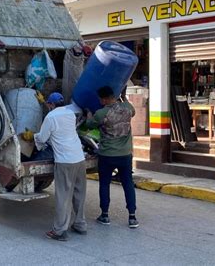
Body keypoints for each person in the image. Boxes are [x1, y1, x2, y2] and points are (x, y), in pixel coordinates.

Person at [34, 92, 87, 241]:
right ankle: (80, 224)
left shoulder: (50, 117)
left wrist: (33, 137)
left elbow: (43, 138)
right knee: (79, 193)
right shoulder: (70, 113)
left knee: (63, 196)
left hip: (65, 161)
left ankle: (59, 231)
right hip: (79, 157)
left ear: (50, 104)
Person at [85, 86, 139, 229]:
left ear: (103, 99)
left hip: (107, 155)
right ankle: (132, 217)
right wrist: (124, 97)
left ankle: (105, 215)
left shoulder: (102, 113)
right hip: (125, 155)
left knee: (104, 184)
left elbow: (89, 124)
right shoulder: (127, 108)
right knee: (128, 184)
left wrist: (89, 113)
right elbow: (131, 110)